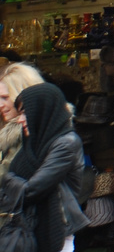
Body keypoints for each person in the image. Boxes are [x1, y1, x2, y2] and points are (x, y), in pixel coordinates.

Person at [1, 82, 88, 252]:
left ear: (42, 112)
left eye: (25, 114)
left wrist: (7, 180)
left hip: (55, 227)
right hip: (30, 227)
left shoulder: (67, 143)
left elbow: (32, 190)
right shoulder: (34, 142)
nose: (20, 120)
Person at [0, 64, 44, 183]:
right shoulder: (7, 129)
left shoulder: (33, 132)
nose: (0, 105)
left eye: (5, 98)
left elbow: (7, 176)